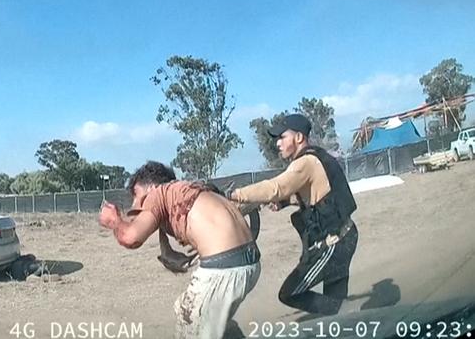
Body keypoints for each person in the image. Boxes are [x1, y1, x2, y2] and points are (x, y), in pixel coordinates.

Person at [99, 161, 260, 339]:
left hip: (224, 269)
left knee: (187, 320)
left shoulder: (158, 194)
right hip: (249, 262)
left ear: (152, 186)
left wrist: (114, 220)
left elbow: (131, 238)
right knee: (212, 322)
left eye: (135, 194)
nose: (135, 204)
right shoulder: (191, 190)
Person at [227, 114, 359, 316]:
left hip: (334, 244)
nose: (278, 143)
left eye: (282, 137)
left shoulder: (305, 162)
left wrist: (234, 195)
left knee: (289, 293)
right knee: (334, 305)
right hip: (345, 235)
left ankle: (352, 312)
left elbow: (275, 188)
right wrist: (286, 202)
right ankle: (347, 316)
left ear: (298, 138)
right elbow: (319, 195)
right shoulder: (317, 157)